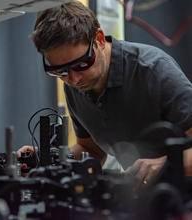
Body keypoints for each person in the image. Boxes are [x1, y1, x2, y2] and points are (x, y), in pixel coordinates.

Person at [18, 0, 192, 187]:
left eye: (82, 64)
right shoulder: (75, 85)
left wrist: (164, 164)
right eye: (60, 71)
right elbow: (90, 150)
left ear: (99, 39)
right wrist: (49, 160)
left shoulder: (153, 70)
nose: (74, 79)